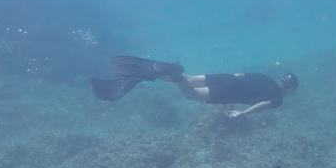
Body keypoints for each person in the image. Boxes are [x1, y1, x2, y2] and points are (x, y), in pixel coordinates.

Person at [90, 55, 298, 118]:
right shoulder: (278, 99)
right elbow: (263, 104)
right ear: (289, 89)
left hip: (229, 79)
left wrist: (231, 89)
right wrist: (242, 113)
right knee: (192, 94)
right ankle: (174, 74)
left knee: (188, 78)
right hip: (232, 90)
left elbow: (238, 75)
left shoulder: (265, 77)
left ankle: (153, 74)